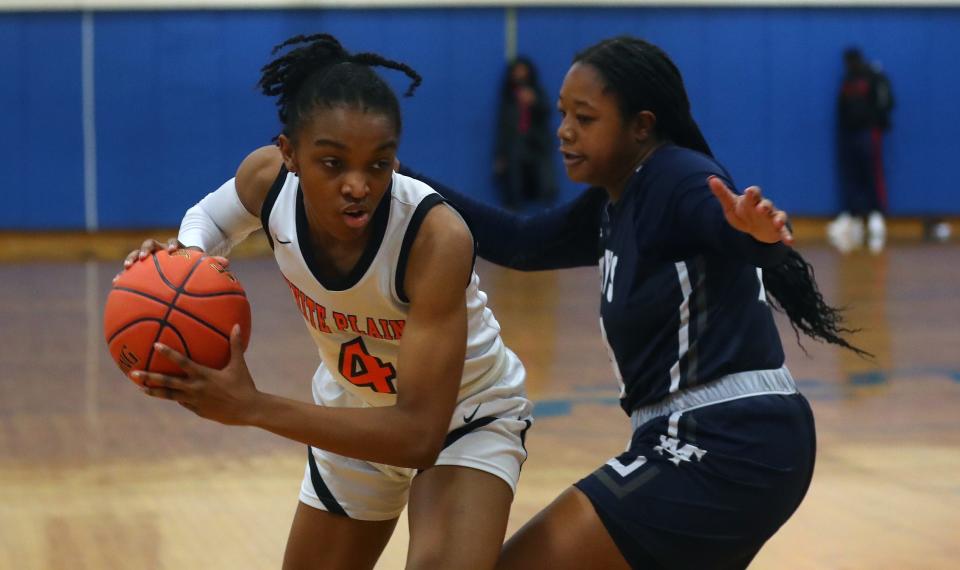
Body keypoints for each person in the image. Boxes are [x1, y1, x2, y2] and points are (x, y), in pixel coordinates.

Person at [402, 36, 868, 570]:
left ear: (640, 125)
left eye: (585, 117)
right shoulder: (616, 197)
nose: (564, 131)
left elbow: (721, 225)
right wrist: (397, 180)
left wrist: (755, 238)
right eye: (562, 114)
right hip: (722, 439)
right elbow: (521, 243)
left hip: (727, 439)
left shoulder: (677, 177)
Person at [119, 33, 532, 570]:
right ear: (288, 152)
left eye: (378, 165)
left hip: (461, 419)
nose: (357, 185)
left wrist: (254, 407)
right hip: (354, 410)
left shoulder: (435, 238)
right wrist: (186, 261)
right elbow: (210, 219)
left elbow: (417, 435)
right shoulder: (266, 182)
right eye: (333, 164)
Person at [828, 47, 895, 253]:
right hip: (849, 135)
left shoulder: (873, 77)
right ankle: (853, 217)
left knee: (872, 174)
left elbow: (886, 102)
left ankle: (876, 216)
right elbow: (841, 109)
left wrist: (876, 124)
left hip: (868, 133)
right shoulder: (847, 80)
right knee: (851, 175)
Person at [494, 56, 557, 210]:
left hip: (537, 145)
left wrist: (534, 102)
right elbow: (503, 127)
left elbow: (547, 113)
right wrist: (500, 155)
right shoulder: (508, 97)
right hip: (515, 147)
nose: (520, 74)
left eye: (523, 70)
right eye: (517, 71)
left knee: (544, 185)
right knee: (514, 185)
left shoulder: (537, 92)